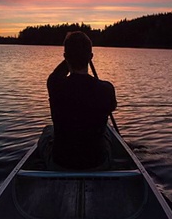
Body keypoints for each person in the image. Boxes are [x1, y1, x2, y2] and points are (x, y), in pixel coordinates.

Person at [42, 31, 117, 170]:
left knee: (47, 132)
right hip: (97, 164)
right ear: (91, 57)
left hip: (60, 164)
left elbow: (58, 73)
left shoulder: (55, 84)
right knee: (108, 130)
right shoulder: (107, 89)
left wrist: (72, 55)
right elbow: (112, 106)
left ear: (65, 57)